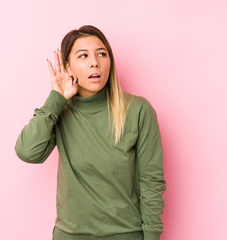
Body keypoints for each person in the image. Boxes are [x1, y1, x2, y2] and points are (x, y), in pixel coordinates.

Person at [14, 25, 166, 240]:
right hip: (70, 235)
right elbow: (28, 152)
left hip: (125, 234)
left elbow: (151, 181)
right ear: (68, 67)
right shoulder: (60, 111)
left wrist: (151, 237)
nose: (95, 62)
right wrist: (56, 98)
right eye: (83, 56)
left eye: (102, 54)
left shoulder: (138, 110)